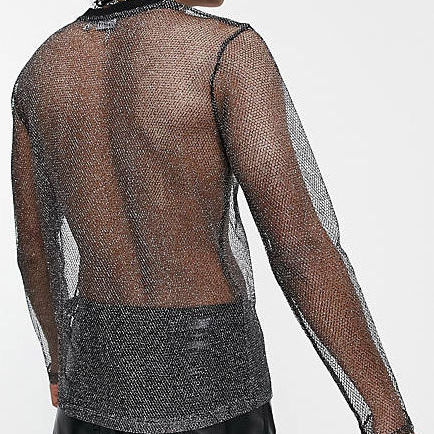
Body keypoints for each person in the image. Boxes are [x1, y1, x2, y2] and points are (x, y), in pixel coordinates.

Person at [10, 0, 415, 433]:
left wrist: (58, 364)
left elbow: (34, 250)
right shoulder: (226, 51)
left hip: (92, 386)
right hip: (213, 383)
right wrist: (383, 411)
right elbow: (299, 246)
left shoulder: (40, 71)